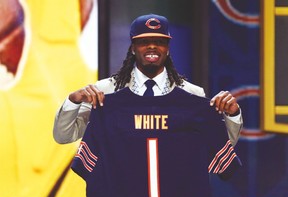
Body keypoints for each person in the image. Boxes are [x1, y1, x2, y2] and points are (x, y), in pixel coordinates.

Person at [53, 13, 243, 146]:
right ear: (133, 47)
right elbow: (63, 136)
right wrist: (73, 100)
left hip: (173, 194)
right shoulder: (106, 91)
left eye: (159, 42)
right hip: (121, 192)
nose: (152, 47)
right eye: (144, 42)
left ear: (167, 48)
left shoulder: (191, 93)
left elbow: (217, 147)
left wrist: (232, 115)